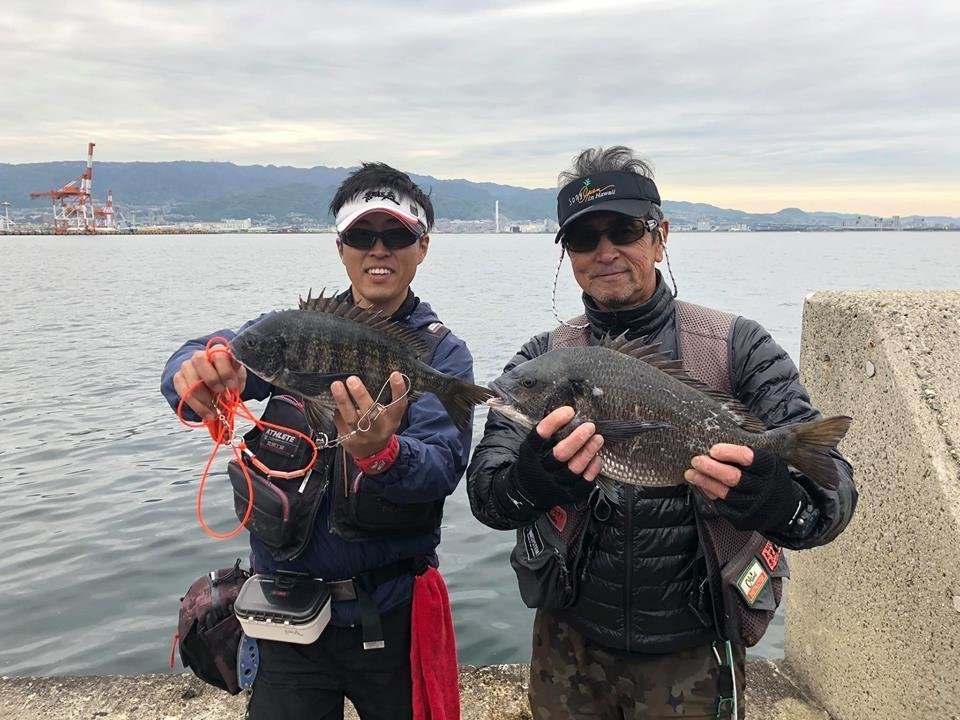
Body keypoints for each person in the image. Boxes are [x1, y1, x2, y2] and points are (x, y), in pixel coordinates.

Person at [466, 146, 857, 719]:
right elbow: (488, 496)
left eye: (623, 229)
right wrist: (535, 478)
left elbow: (832, 500)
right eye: (582, 239)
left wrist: (777, 500)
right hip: (567, 645)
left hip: (695, 650)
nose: (605, 252)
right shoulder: (539, 361)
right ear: (567, 255)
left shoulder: (738, 348)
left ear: (660, 234)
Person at [161, 163, 472, 720]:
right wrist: (193, 370)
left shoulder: (440, 357)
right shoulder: (290, 329)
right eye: (361, 235)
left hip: (392, 618)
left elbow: (442, 467)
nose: (379, 249)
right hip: (287, 620)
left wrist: (382, 453)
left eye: (397, 235)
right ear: (340, 246)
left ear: (422, 247)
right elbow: (212, 349)